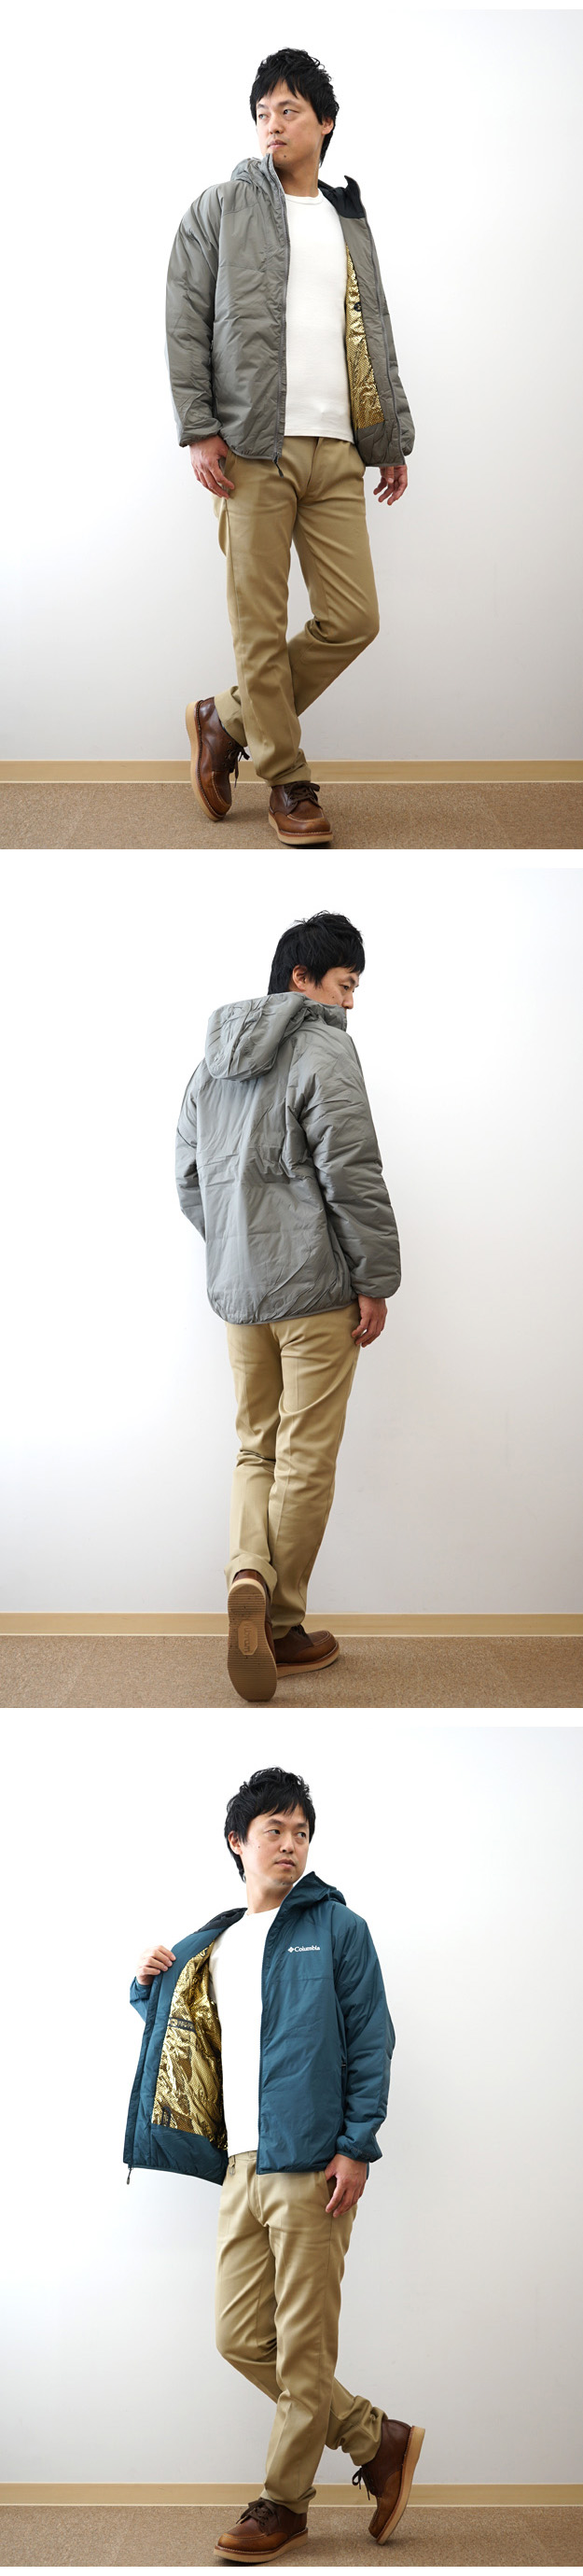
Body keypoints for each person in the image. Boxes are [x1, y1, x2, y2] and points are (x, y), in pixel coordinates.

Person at [125, 1764, 424, 2563]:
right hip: (240, 2165)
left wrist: (356, 2146)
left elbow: (372, 2041)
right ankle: (375, 2437)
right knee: (237, 2337)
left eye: (301, 1832)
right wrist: (147, 1985)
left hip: (313, 2164)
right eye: (274, 1830)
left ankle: (285, 2505)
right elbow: (178, 2034)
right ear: (238, 1841)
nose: (290, 1844)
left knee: (303, 2349)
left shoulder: (338, 1928)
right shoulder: (215, 1942)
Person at [166, 47, 414, 848]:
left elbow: (373, 332)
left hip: (337, 447)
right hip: (250, 446)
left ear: (324, 122)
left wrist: (389, 439)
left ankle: (225, 718)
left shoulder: (348, 220)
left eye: (288, 110)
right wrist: (200, 427)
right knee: (260, 626)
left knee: (352, 618)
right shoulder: (220, 207)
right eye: (262, 112)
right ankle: (286, 779)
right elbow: (185, 318)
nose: (272, 123)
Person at [175, 910, 400, 1704]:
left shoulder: (209, 1063)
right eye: (345, 984)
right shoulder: (323, 1047)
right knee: (304, 1457)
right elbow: (351, 1168)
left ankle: (247, 1572)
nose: (350, 1002)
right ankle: (279, 1626)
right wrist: (375, 1278)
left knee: (254, 1448)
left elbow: (189, 1179)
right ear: (303, 979)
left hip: (240, 1292)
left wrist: (235, 1249)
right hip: (313, 1291)